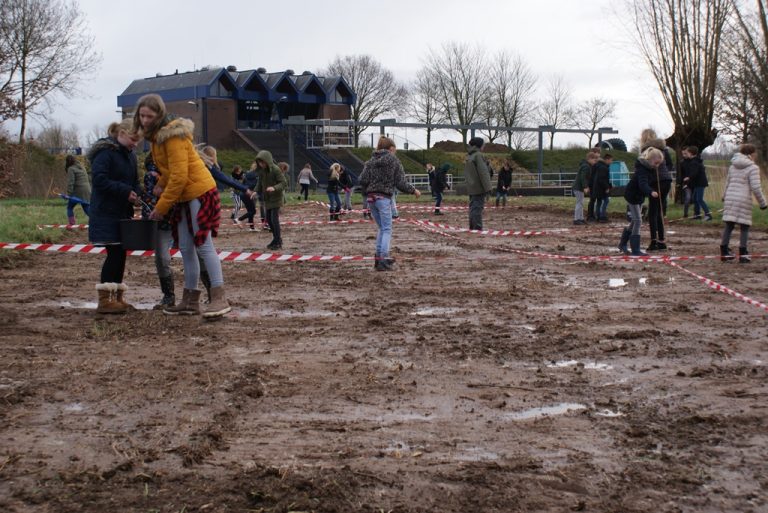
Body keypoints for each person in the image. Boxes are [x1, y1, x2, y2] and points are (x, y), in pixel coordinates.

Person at [136, 93, 231, 319]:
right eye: (141, 116)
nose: (144, 120)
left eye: (149, 116)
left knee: (203, 245)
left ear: (159, 115)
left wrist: (161, 206)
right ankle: (190, 300)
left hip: (199, 192)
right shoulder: (156, 139)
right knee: (186, 248)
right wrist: (160, 184)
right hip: (183, 196)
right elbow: (171, 172)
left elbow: (180, 175)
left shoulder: (173, 136)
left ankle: (219, 297)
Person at [87, 119, 141, 314]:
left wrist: (136, 194)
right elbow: (99, 180)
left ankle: (117, 297)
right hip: (106, 212)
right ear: (122, 134)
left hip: (122, 212)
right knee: (115, 253)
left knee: (120, 253)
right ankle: (105, 300)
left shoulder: (131, 155)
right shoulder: (106, 152)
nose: (136, 144)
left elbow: (135, 181)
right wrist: (125, 191)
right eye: (133, 139)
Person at [358, 136, 421, 271]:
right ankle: (384, 259)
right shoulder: (393, 161)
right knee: (387, 229)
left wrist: (370, 188)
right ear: (391, 149)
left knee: (382, 228)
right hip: (383, 197)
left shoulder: (370, 162)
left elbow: (362, 180)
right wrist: (413, 190)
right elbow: (400, 182)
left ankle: (378, 258)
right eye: (395, 150)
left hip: (371, 198)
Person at [720, 144, 767, 263]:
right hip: (743, 199)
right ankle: (743, 253)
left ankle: (724, 251)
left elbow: (727, 182)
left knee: (729, 225)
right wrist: (763, 203)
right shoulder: (753, 168)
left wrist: (724, 196)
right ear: (751, 154)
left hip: (731, 197)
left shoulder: (732, 166)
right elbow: (756, 188)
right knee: (744, 227)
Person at [140, 154, 176, 310]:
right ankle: (169, 295)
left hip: (164, 218)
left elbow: (149, 199)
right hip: (170, 217)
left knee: (162, 257)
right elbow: (149, 198)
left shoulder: (172, 170)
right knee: (195, 252)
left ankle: (169, 296)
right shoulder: (152, 175)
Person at [619, 148, 662, 256]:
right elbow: (642, 184)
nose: (657, 165)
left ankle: (622, 244)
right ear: (650, 159)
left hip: (639, 197)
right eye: (656, 163)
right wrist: (651, 192)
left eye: (659, 164)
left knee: (635, 221)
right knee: (638, 220)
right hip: (632, 196)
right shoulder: (642, 169)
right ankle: (635, 249)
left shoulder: (650, 169)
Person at [640, 129, 674, 250]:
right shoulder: (663, 149)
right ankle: (661, 241)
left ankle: (654, 241)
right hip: (666, 180)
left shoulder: (646, 150)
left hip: (656, 181)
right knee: (659, 210)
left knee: (653, 212)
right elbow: (670, 164)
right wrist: (663, 170)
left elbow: (644, 167)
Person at [255, 150, 287, 250]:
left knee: (274, 219)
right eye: (259, 162)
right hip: (267, 199)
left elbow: (283, 183)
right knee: (268, 220)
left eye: (262, 162)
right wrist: (255, 192)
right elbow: (259, 183)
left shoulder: (276, 170)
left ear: (267, 161)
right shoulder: (261, 171)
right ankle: (276, 239)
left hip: (276, 198)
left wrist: (274, 188)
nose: (261, 164)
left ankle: (278, 241)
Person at [464, 137, 492, 230]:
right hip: (479, 188)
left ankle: (473, 228)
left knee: (473, 209)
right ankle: (477, 229)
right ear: (479, 145)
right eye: (483, 144)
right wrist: (488, 189)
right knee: (477, 210)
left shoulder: (469, 156)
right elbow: (483, 173)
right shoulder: (478, 155)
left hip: (471, 187)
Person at [682, 146, 713, 221]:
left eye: (687, 153)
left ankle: (708, 215)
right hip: (696, 183)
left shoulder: (694, 162)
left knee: (699, 199)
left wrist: (688, 177)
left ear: (691, 153)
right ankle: (697, 215)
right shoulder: (695, 160)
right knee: (695, 199)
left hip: (700, 183)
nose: (687, 154)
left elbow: (694, 172)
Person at [573, 151, 598, 225]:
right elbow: (583, 177)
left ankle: (580, 218)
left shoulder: (586, 166)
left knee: (580, 203)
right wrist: (585, 186)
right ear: (590, 159)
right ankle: (577, 219)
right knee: (579, 203)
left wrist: (586, 186)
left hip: (579, 188)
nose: (595, 162)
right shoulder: (586, 167)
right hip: (578, 188)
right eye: (594, 160)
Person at [65, 155, 91, 225]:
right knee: (86, 206)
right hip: (87, 190)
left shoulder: (71, 168)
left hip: (78, 192)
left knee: (69, 207)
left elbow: (71, 182)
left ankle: (72, 224)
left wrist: (69, 194)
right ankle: (96, 220)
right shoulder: (82, 167)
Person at [238, 162, 259, 231]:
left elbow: (243, 184)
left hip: (243, 193)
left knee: (250, 211)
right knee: (253, 211)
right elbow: (255, 185)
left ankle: (251, 227)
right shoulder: (256, 175)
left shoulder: (247, 174)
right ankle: (239, 219)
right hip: (248, 194)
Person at [592, 153, 613, 222]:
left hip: (597, 187)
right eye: (610, 160)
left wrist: (609, 185)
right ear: (607, 159)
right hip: (601, 188)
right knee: (606, 201)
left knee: (599, 202)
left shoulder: (599, 166)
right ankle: (602, 216)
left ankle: (598, 216)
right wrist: (607, 187)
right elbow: (602, 179)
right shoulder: (603, 167)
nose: (611, 162)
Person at [679, 149, 695, 218]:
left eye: (685, 153)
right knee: (687, 198)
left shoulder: (693, 161)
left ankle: (696, 214)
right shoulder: (682, 162)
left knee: (695, 199)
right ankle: (685, 214)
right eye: (683, 154)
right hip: (686, 183)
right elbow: (682, 174)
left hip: (694, 183)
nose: (684, 155)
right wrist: (682, 183)